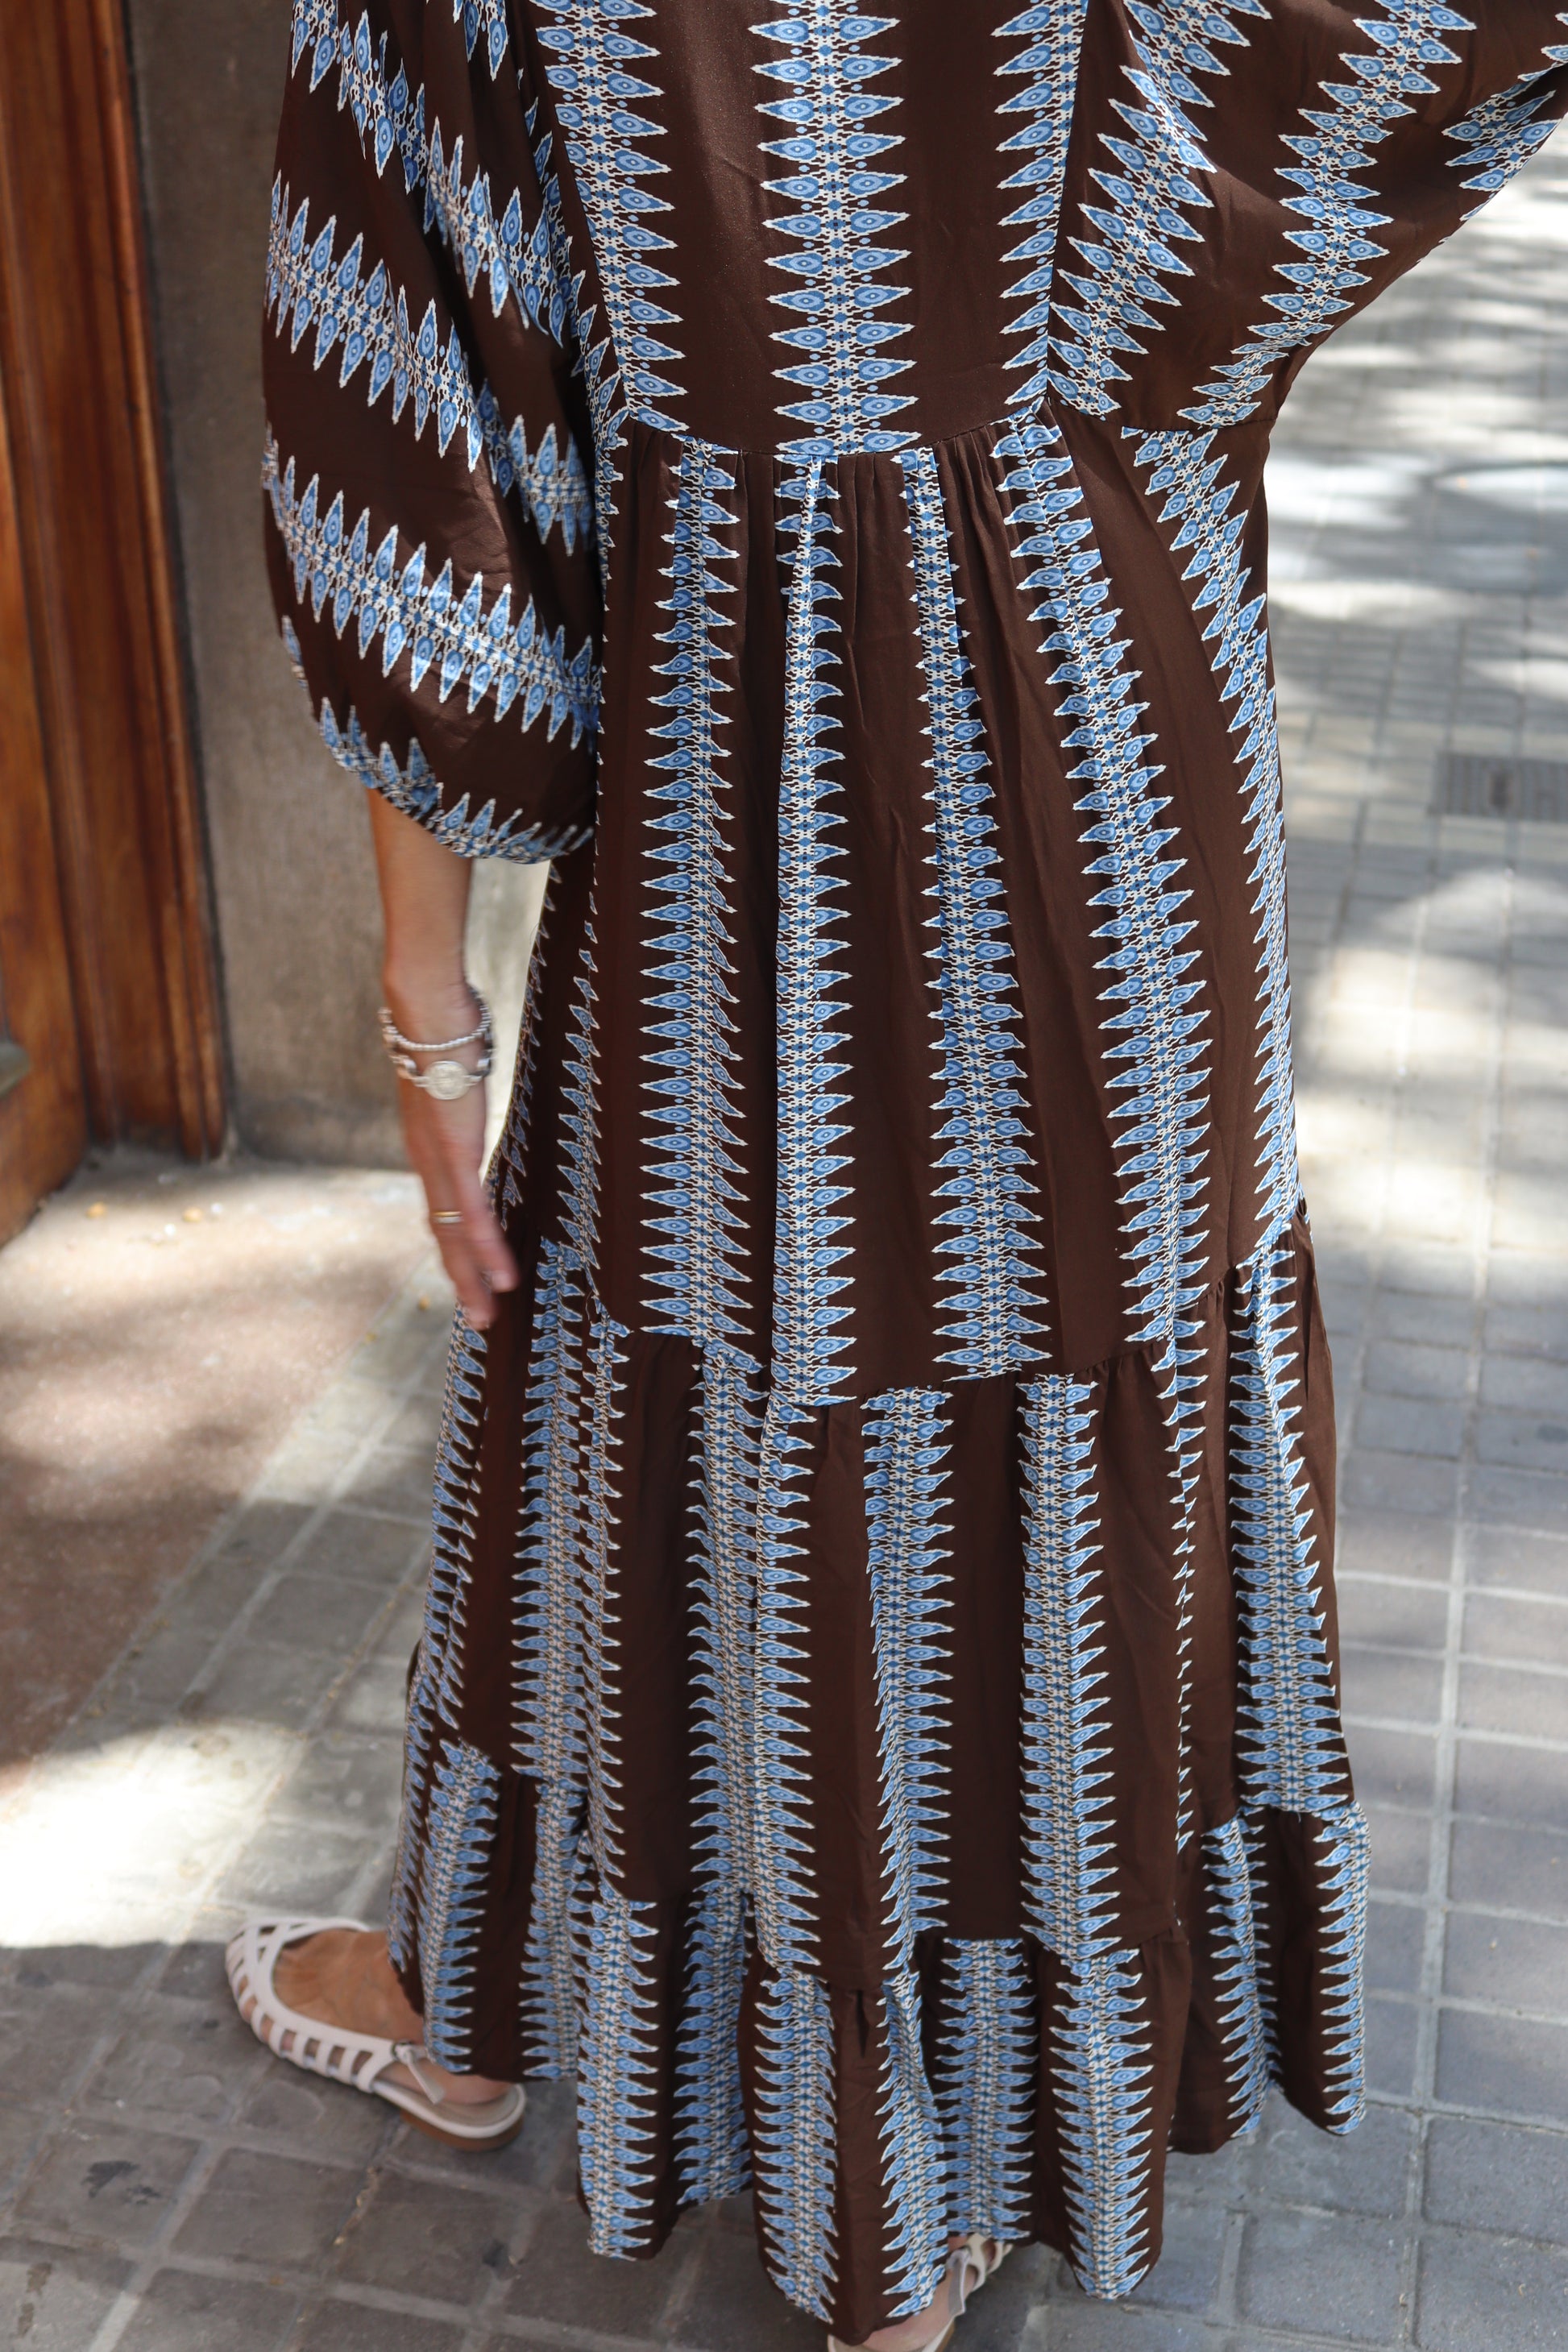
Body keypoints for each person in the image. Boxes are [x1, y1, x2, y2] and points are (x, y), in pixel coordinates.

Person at [227, 4, 1568, 2346]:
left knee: (710, 1392)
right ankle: (937, 2172)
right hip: (1121, 721)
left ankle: (532, 2019)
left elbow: (423, 422)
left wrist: (426, 1003)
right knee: (1039, 1397)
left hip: (746, 765)